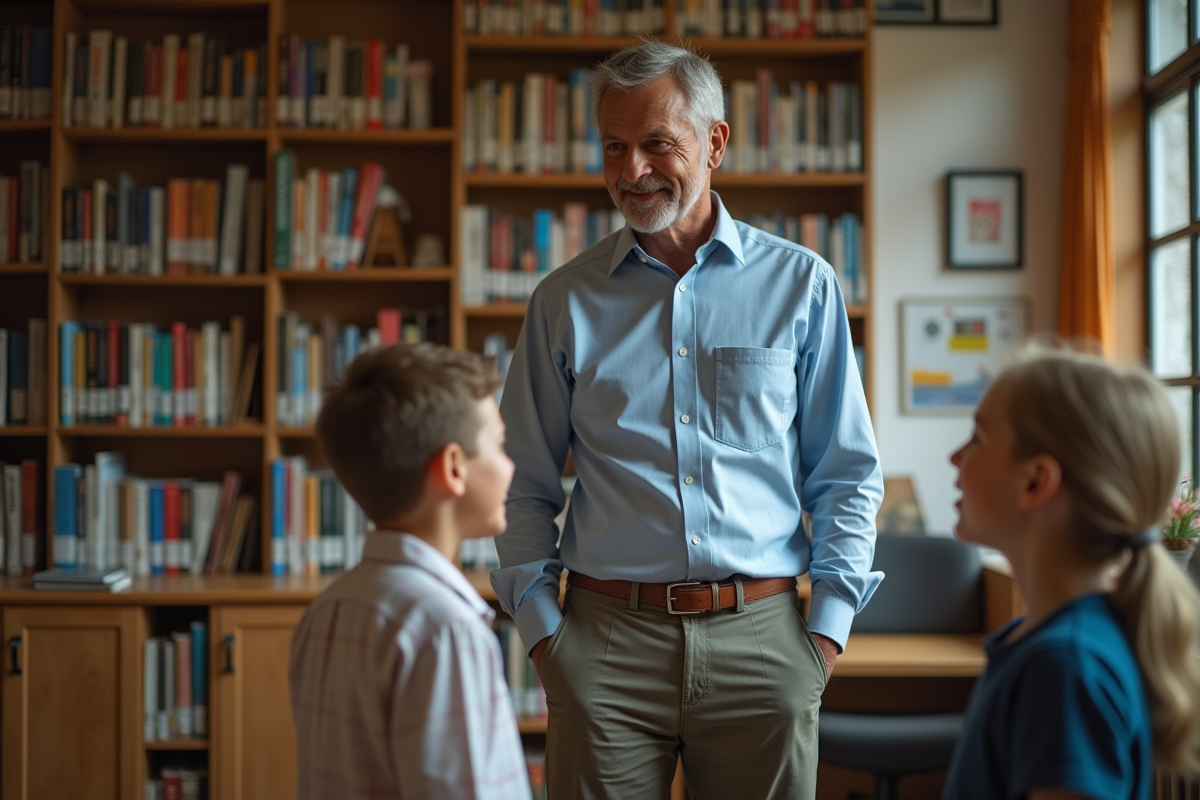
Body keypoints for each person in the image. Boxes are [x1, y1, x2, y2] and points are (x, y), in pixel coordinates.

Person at [492, 40, 883, 799]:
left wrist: (825, 634)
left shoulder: (802, 286)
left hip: (765, 639)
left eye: (657, 144)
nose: (632, 169)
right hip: (603, 643)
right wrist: (547, 638)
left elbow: (846, 473)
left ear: (715, 142)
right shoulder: (562, 301)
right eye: (614, 145)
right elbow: (520, 483)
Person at [943, 345, 1200, 800]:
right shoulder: (1047, 643)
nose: (955, 457)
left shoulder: (1065, 667)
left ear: (1036, 481)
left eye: (978, 437)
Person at [289, 343, 530, 800]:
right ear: (454, 468)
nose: (510, 465)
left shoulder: (327, 610)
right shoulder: (446, 629)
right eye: (499, 446)